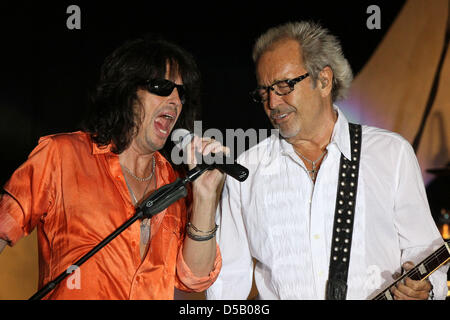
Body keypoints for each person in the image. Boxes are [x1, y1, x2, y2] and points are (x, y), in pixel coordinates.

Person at [206, 21, 449, 300]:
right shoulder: (247, 171)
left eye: (284, 86)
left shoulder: (391, 154)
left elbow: (426, 251)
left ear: (323, 80)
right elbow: (227, 282)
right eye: (264, 92)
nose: (272, 103)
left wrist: (426, 290)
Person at [0, 35, 225, 299]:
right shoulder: (62, 156)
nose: (175, 100)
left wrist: (205, 196)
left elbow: (195, 279)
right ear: (127, 92)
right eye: (162, 87)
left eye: (182, 93)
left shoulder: (176, 185)